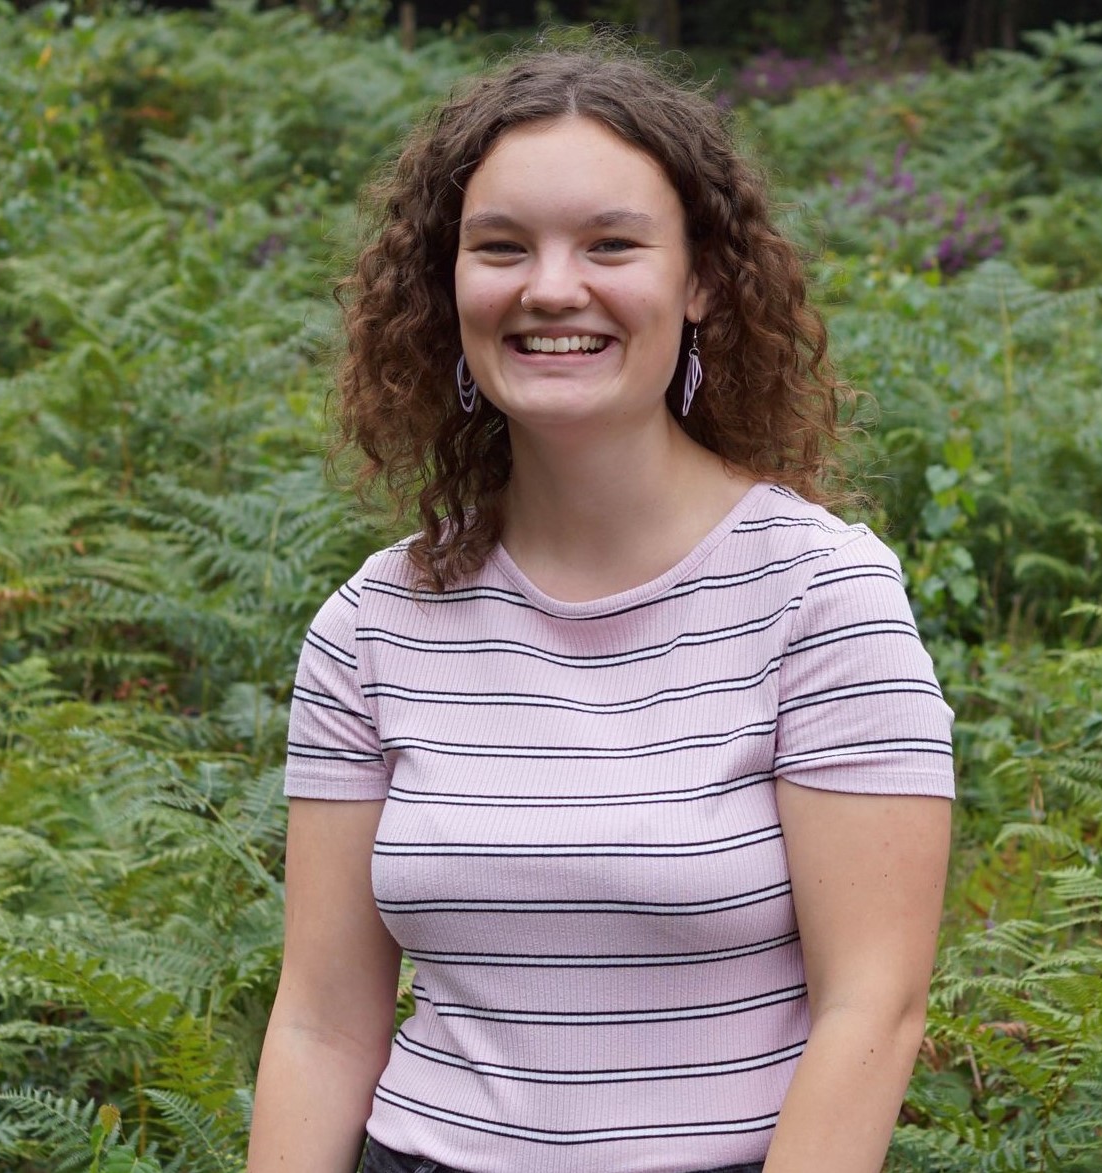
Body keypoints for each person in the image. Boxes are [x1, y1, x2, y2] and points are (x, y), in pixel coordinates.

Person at [247, 40, 954, 1173]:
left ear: (702, 281)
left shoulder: (821, 599)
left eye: (610, 245)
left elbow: (871, 1011)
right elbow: (322, 1023)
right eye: (501, 248)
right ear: (449, 286)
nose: (551, 287)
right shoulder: (370, 625)